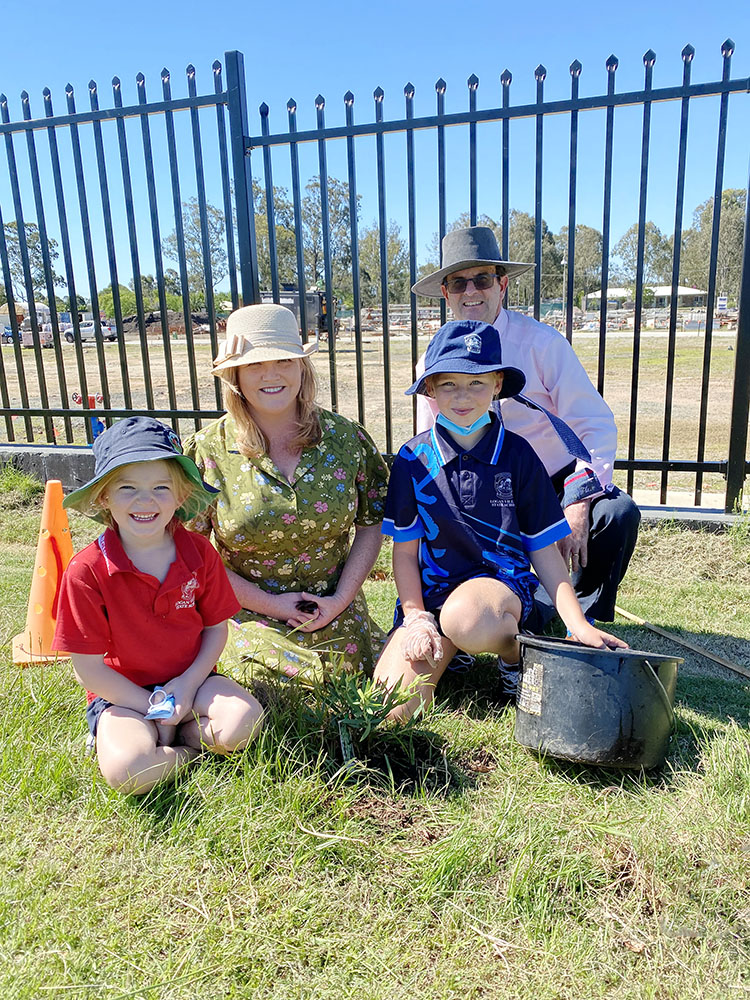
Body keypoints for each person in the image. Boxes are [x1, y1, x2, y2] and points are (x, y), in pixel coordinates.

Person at [373, 320, 627, 721]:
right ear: (430, 390)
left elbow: (544, 552)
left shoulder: (520, 455)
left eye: (476, 382)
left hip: (495, 599)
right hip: (433, 604)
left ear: (497, 385)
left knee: (467, 617)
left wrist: (576, 623)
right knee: (388, 710)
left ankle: (515, 654)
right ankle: (451, 650)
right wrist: (415, 617)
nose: (463, 395)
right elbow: (404, 554)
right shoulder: (411, 460)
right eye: (449, 384)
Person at [412, 227, 640, 639]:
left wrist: (578, 498)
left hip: (553, 482)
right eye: (459, 282)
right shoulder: (433, 360)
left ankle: (575, 618)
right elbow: (430, 444)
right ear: (445, 293)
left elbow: (594, 424)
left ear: (501, 285)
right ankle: (506, 611)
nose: (471, 292)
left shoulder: (543, 345)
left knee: (615, 515)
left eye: (482, 279)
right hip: (482, 489)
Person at [53, 416, 264, 795]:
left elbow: (216, 629)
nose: (145, 500)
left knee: (244, 722)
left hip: (194, 682)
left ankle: (172, 738)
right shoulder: (86, 570)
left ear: (182, 495)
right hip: (124, 695)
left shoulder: (199, 553)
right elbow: (89, 670)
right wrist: (154, 705)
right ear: (103, 497)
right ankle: (186, 752)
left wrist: (184, 688)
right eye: (127, 487)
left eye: (161, 487)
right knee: (128, 771)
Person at [183, 303, 389, 683]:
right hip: (246, 613)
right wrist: (269, 605)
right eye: (254, 365)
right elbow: (190, 552)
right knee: (269, 688)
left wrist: (340, 599)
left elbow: (371, 525)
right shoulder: (207, 451)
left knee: (358, 684)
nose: (271, 375)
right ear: (235, 376)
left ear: (301, 368)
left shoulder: (346, 440)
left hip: (333, 608)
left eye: (283, 361)